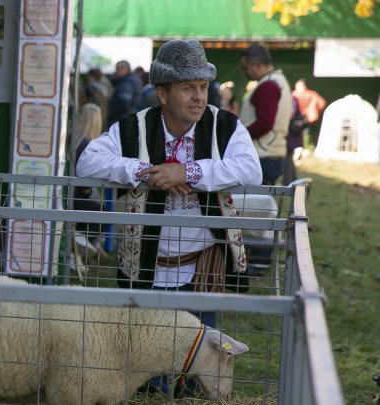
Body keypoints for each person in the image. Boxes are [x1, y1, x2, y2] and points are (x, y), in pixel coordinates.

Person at [77, 39, 262, 327]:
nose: (199, 97)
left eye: (203, 86)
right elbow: (87, 162)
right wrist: (147, 171)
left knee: (199, 356)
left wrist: (189, 172)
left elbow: (252, 170)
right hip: (146, 269)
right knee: (147, 359)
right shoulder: (134, 127)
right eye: (188, 88)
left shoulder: (225, 125)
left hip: (202, 270)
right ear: (162, 94)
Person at [239, 44, 292, 186]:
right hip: (270, 153)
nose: (245, 72)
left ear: (256, 65)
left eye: (245, 68)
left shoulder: (268, 85)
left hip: (262, 155)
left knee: (253, 205)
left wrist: (239, 136)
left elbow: (265, 123)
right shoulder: (278, 80)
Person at [69, 103, 109, 251]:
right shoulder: (86, 146)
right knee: (106, 215)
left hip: (68, 193)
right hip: (76, 196)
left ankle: (81, 241)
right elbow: (85, 182)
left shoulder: (72, 139)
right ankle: (81, 244)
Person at [107, 60, 143, 128]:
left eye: (117, 69)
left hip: (121, 121)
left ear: (124, 69)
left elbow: (123, 103)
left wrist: (111, 114)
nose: (116, 72)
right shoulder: (134, 80)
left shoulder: (127, 82)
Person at [292, 78, 326, 147]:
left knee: (299, 131)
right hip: (311, 117)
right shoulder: (312, 94)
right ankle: (310, 145)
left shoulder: (293, 94)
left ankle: (301, 145)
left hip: (297, 117)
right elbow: (322, 103)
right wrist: (316, 110)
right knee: (310, 132)